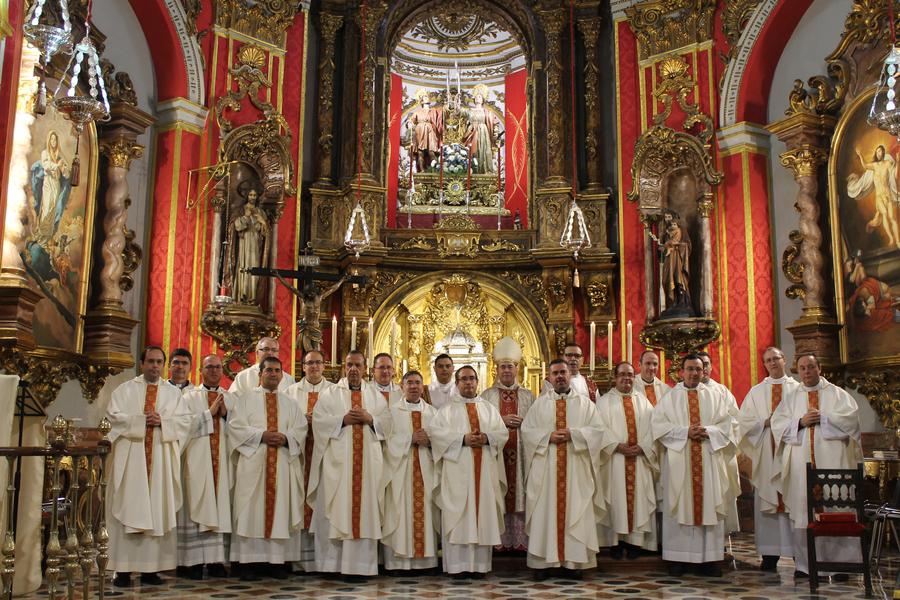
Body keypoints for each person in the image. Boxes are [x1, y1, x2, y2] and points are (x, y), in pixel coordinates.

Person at [107, 347, 193, 587]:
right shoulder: (124, 390)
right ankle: (122, 570)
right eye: (151, 361)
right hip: (131, 461)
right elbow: (112, 418)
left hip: (160, 462)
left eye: (159, 362)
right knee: (127, 508)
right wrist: (140, 420)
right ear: (142, 363)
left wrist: (162, 422)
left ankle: (150, 570)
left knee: (156, 510)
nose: (155, 366)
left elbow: (185, 424)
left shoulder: (173, 394)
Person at [771, 354, 863, 579]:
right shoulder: (791, 398)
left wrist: (825, 419)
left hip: (834, 463)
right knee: (803, 513)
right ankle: (805, 566)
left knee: (836, 511)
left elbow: (852, 423)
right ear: (798, 371)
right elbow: (777, 425)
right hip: (801, 468)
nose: (806, 371)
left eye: (811, 367)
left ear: (819, 368)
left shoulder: (838, 395)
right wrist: (800, 422)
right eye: (802, 368)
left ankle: (841, 565)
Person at [308, 350, 392, 580]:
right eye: (349, 365)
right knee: (336, 507)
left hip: (368, 466)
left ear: (365, 368)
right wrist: (342, 420)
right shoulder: (330, 394)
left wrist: (370, 419)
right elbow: (318, 421)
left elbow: (388, 425)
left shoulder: (376, 396)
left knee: (365, 510)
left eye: (358, 365)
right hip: (339, 466)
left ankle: (362, 567)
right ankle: (332, 566)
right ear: (344, 368)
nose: (353, 369)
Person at [651, 354, 736, 577]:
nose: (694, 373)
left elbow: (728, 425)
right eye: (690, 369)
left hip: (708, 458)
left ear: (704, 371)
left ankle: (709, 559)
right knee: (680, 504)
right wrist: (685, 432)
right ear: (682, 371)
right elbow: (658, 426)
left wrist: (709, 431)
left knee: (708, 504)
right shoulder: (670, 398)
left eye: (698, 369)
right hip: (681, 461)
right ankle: (677, 558)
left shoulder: (714, 395)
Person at [521, 359, 604, 577]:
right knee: (545, 513)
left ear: (570, 375)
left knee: (576, 510)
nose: (559, 377)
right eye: (555, 373)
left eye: (563, 373)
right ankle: (542, 564)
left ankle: (574, 564)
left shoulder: (586, 404)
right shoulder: (539, 404)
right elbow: (527, 432)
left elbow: (597, 431)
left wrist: (573, 434)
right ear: (548, 377)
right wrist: (547, 436)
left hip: (576, 468)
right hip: (546, 471)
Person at [228, 356, 307, 580]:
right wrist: (261, 435)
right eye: (269, 370)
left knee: (280, 509)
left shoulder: (290, 402)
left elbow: (301, 429)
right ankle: (247, 563)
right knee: (250, 510)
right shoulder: (245, 399)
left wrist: (286, 438)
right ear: (260, 374)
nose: (273, 374)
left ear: (282, 375)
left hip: (281, 462)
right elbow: (235, 427)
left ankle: (276, 563)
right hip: (254, 462)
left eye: (277, 370)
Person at [428, 366, 508, 577]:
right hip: (457, 475)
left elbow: (501, 433)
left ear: (477, 381)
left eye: (472, 379)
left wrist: (487, 438)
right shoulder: (446, 411)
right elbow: (436, 435)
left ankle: (479, 567)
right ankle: (457, 567)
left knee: (482, 515)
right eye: (464, 379)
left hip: (484, 474)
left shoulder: (488, 409)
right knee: (459, 515)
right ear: (457, 383)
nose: (469, 383)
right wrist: (462, 439)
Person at [738, 347, 799, 571]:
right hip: (766, 453)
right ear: (764, 364)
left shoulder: (797, 389)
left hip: (791, 452)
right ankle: (770, 554)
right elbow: (743, 422)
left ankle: (796, 554)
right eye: (768, 360)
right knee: (768, 500)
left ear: (784, 360)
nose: (772, 363)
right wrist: (765, 422)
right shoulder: (756, 392)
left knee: (793, 502)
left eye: (776, 358)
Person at [177, 354, 234, 579]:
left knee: (219, 506)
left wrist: (227, 415)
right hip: (196, 462)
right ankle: (189, 563)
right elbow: (181, 426)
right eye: (209, 367)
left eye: (218, 367)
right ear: (201, 370)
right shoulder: (188, 397)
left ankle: (215, 562)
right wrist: (207, 415)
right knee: (194, 506)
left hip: (222, 462)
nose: (213, 371)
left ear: (223, 371)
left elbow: (241, 427)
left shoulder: (231, 398)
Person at [596, 362, 658, 558]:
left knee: (638, 500)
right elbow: (598, 429)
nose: (627, 378)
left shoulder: (644, 401)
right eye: (622, 374)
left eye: (630, 375)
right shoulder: (604, 402)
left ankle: (634, 544)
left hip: (639, 459)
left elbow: (653, 429)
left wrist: (643, 446)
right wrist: (615, 445)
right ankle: (615, 543)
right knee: (615, 499)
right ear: (615, 377)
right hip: (614, 459)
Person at [381, 371, 440, 572]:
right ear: (402, 386)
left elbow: (443, 440)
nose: (414, 386)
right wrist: (409, 440)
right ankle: (398, 563)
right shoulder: (391, 412)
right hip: (400, 472)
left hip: (426, 470)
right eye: (410, 383)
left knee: (426, 511)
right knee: (399, 511)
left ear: (423, 386)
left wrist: (430, 442)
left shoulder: (432, 413)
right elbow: (385, 441)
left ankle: (426, 562)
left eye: (417, 382)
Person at [285, 349, 335, 572]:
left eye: (318, 362)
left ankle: (321, 558)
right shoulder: (289, 393)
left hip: (325, 456)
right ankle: (296, 559)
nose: (314, 367)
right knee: (295, 499)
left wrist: (322, 422)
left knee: (323, 501)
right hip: (298, 454)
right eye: (309, 363)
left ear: (324, 366)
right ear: (302, 367)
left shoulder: (335, 393)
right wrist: (301, 421)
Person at [482, 337, 534, 553]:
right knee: (498, 492)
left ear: (517, 368)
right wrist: (500, 423)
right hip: (497, 456)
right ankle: (500, 542)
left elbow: (537, 425)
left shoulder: (528, 396)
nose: (506, 371)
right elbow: (481, 425)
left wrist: (526, 424)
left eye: (509, 366)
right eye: (502, 367)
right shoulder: (486, 397)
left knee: (520, 494)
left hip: (521, 454)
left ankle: (520, 542)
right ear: (496, 369)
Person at [697, 351, 741, 534]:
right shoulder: (680, 392)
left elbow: (735, 422)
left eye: (706, 364)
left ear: (711, 366)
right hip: (692, 452)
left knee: (721, 493)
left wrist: (713, 432)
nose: (703, 369)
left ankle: (720, 536)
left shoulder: (721, 391)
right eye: (700, 366)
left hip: (719, 451)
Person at [848, 145, 900, 249]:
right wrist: (860, 155)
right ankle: (891, 239)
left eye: (880, 151)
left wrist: (898, 161)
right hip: (879, 197)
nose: (879, 153)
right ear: (876, 154)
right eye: (877, 152)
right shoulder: (874, 166)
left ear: (883, 152)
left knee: (892, 218)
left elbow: (895, 175)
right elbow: (865, 166)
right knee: (885, 215)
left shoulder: (888, 164)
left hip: (888, 195)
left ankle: (898, 240)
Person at [233, 187, 269, 303]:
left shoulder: (261, 212)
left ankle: (252, 297)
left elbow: (266, 232)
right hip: (244, 243)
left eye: (254, 195)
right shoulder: (241, 210)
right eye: (250, 195)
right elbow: (237, 226)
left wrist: (263, 222)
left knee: (254, 267)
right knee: (243, 265)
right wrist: (246, 216)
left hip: (255, 243)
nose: (252, 197)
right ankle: (242, 295)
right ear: (246, 196)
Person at [229, 336, 295, 396]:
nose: (270, 353)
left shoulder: (288, 380)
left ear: (278, 354)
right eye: (266, 349)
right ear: (257, 353)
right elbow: (233, 401)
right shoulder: (243, 377)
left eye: (274, 350)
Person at [459, 84, 501, 174]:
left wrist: (495, 134)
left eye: (480, 97)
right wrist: (456, 100)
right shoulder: (470, 110)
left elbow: (495, 122)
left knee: (483, 150)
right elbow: (458, 111)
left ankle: (483, 170)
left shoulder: (487, 112)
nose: (478, 98)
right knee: (472, 150)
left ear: (483, 100)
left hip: (483, 132)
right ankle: (473, 170)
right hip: (471, 132)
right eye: (476, 97)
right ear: (474, 99)